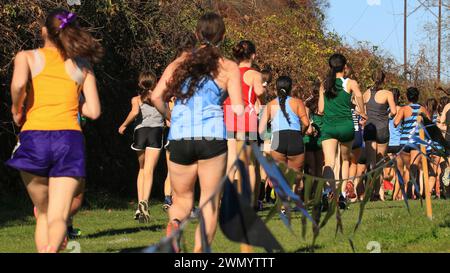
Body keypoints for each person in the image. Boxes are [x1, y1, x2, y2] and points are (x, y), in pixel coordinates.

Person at [6, 9, 103, 253]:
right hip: (68, 139)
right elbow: (93, 111)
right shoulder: (83, 65)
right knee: (59, 216)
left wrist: (17, 110)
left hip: (34, 136)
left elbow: (18, 84)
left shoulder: (26, 57)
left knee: (44, 213)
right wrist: (74, 99)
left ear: (43, 31)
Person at [151, 12, 244, 252]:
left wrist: (171, 117)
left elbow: (156, 97)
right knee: (209, 202)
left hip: (180, 136)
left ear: (196, 34)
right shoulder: (228, 67)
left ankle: (175, 224)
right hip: (212, 136)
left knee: (181, 200)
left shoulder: (179, 63)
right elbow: (238, 109)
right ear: (223, 36)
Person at [318, 53, 366, 208]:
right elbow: (359, 96)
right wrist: (362, 112)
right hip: (346, 126)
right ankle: (343, 195)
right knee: (345, 160)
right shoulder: (350, 82)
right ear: (344, 66)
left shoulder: (324, 84)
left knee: (329, 162)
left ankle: (327, 192)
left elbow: (321, 109)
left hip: (329, 126)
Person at [223, 40, 265, 208]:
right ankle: (249, 202)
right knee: (249, 163)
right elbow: (260, 92)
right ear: (253, 55)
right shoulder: (254, 74)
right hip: (246, 117)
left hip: (230, 115)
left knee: (231, 159)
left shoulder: (229, 72)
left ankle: (227, 198)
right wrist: (262, 101)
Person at [119, 71, 164, 223]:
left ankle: (139, 206)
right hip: (155, 133)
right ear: (155, 83)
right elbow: (166, 113)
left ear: (140, 84)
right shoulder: (160, 98)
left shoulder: (136, 99)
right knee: (150, 171)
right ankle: (145, 201)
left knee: (142, 169)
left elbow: (134, 112)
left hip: (140, 134)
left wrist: (124, 125)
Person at [162, 32, 198, 211]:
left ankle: (176, 206)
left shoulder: (171, 67)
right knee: (191, 167)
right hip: (192, 124)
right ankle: (184, 206)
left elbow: (158, 97)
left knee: (176, 168)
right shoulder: (195, 68)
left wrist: (168, 116)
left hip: (177, 126)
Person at [259, 76, 309, 193]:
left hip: (277, 138)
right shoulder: (297, 102)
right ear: (291, 88)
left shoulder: (270, 105)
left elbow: (260, 129)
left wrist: (269, 137)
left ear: (276, 89)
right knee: (296, 176)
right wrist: (300, 133)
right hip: (295, 138)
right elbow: (306, 123)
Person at [363, 69, 397, 201]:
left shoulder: (365, 93)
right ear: (384, 79)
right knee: (380, 162)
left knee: (370, 162)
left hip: (369, 128)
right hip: (382, 128)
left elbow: (359, 108)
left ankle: (369, 191)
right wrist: (385, 115)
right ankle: (379, 192)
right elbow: (394, 112)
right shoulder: (387, 93)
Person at [394, 87, 429, 199]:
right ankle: (410, 190)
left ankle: (409, 190)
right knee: (413, 167)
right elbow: (429, 123)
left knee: (407, 167)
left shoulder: (404, 109)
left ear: (408, 97)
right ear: (417, 96)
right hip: (417, 141)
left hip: (404, 141)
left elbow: (395, 123)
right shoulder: (422, 109)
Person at [386, 88, 403, 200]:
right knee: (399, 172)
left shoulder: (387, 110)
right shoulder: (402, 110)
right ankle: (395, 194)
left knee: (387, 171)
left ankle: (386, 191)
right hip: (399, 144)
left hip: (388, 144)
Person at [303, 81, 324, 178]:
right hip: (321, 139)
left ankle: (308, 192)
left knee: (311, 170)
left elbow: (307, 126)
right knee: (319, 169)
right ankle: (318, 193)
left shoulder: (307, 104)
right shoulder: (325, 103)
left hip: (309, 139)